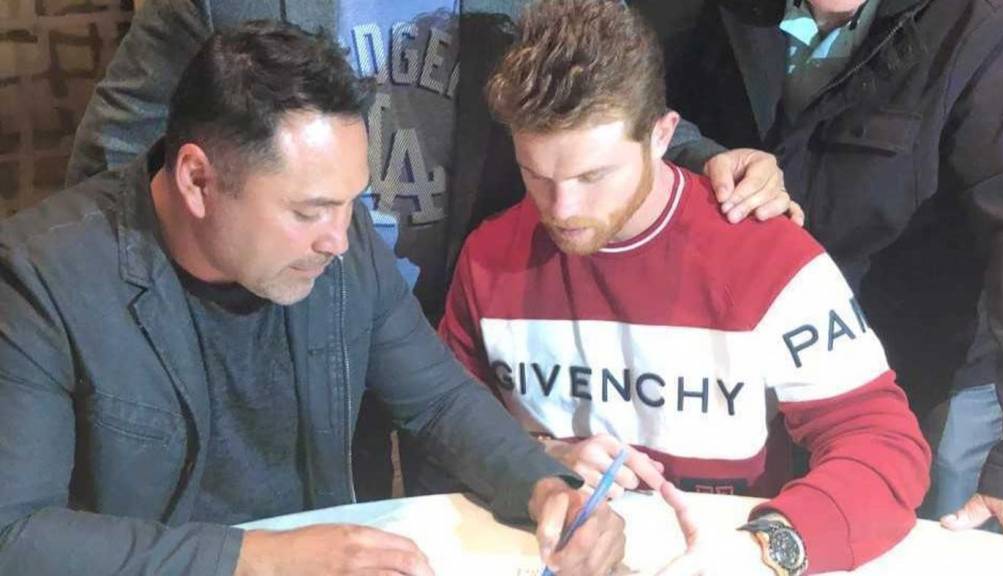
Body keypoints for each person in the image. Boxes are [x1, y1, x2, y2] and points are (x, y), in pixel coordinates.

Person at [65, 0, 800, 499]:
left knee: (449, 499)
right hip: (293, 308)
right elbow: (119, 143)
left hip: (458, 303)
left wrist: (704, 159)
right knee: (327, 498)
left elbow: (606, 90)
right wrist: (150, 310)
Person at [0, 21, 625, 576]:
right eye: (308, 211)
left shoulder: (344, 243)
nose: (339, 238)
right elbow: (15, 535)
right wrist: (262, 559)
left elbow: (438, 401)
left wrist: (545, 487)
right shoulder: (41, 278)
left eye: (351, 201)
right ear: (197, 179)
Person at [438, 1, 931, 573]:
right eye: (536, 175)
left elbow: (884, 445)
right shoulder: (491, 255)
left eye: (593, 176)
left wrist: (765, 549)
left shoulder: (766, 255)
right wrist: (538, 463)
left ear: (662, 135)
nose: (563, 209)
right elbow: (443, 428)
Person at [666, 0, 1003, 543]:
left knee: (913, 543)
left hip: (924, 375)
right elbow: (635, 106)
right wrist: (700, 154)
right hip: (749, 360)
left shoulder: (988, 25)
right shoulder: (706, 12)